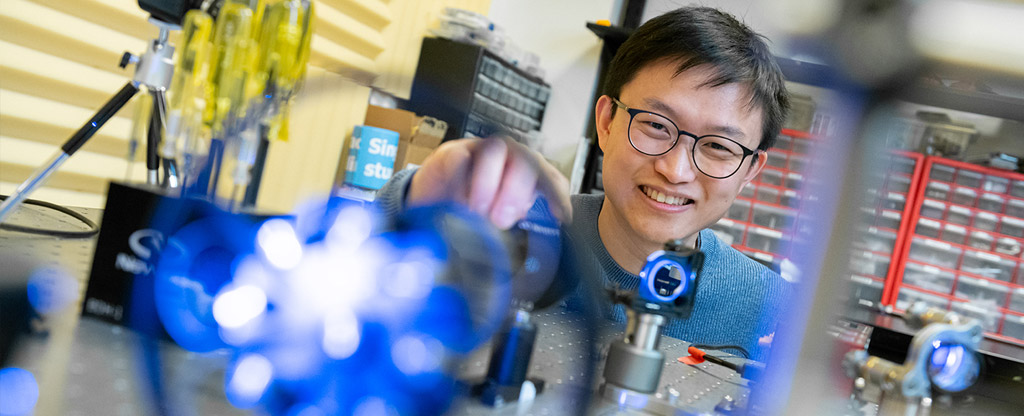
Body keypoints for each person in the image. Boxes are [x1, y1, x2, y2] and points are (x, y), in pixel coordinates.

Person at [376, 6, 791, 361]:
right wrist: (421, 199)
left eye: (719, 146)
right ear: (607, 123)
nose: (676, 170)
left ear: (750, 171)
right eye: (655, 125)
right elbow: (365, 264)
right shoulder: (519, 232)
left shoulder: (777, 312)